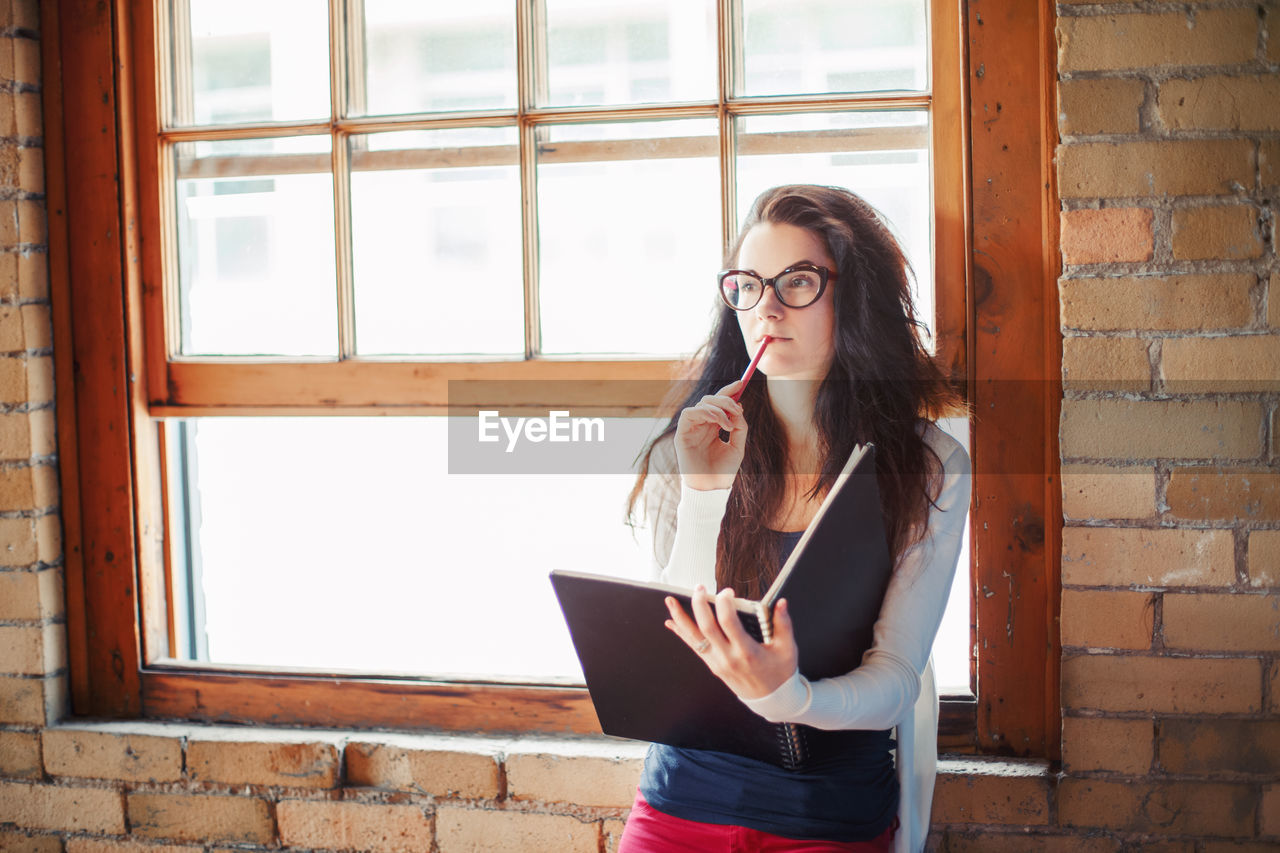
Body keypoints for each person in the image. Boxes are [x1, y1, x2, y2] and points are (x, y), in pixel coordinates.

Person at [619, 185, 971, 853]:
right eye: (747, 286)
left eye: (798, 281)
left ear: (855, 295)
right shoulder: (690, 449)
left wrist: (791, 697)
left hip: (829, 815)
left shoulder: (930, 468)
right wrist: (704, 492)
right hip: (681, 799)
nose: (768, 308)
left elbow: (896, 678)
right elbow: (674, 654)